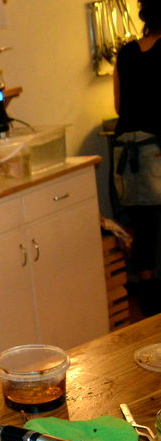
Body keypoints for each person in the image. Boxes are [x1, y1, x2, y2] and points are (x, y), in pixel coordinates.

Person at [113, 0, 161, 316]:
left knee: (144, 227)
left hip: (127, 152)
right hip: (157, 147)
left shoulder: (126, 53)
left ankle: (149, 304)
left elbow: (119, 106)